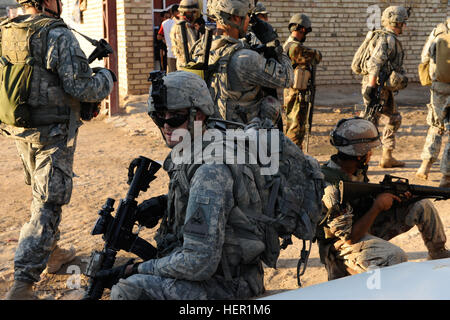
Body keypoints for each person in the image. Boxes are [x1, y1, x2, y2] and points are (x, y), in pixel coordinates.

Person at [96, 71, 267, 300]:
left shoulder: (209, 170)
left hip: (229, 283)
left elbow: (198, 262)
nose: (166, 125)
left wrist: (134, 269)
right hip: (215, 270)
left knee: (129, 290)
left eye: (175, 117)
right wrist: (163, 204)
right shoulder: (199, 144)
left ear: (200, 115)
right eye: (159, 116)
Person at [1, 0, 114, 299]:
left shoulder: (6, 30)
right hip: (52, 133)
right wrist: (106, 77)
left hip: (21, 128)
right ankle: (22, 284)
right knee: (48, 201)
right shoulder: (57, 34)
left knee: (41, 192)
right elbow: (83, 88)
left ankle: (53, 253)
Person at [317, 117, 450, 280]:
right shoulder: (331, 188)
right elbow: (350, 238)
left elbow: (362, 201)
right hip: (339, 246)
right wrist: (377, 206)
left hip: (361, 224)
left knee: (421, 205)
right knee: (394, 256)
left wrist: (395, 197)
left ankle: (439, 256)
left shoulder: (353, 170)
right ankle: (347, 273)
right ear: (360, 155)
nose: (371, 154)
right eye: (370, 150)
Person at [192, 0, 293, 126]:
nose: (249, 21)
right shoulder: (245, 58)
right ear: (235, 18)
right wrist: (276, 46)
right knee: (271, 104)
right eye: (247, 15)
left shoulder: (201, 48)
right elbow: (288, 78)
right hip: (241, 137)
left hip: (211, 129)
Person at [360, 6, 409, 168]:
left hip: (384, 88)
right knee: (369, 124)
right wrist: (371, 88)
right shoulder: (386, 39)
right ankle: (358, 159)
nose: (405, 26)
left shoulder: (390, 38)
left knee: (394, 119)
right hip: (376, 87)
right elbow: (375, 62)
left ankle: (387, 156)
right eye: (403, 23)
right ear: (396, 22)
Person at [416, 18, 450, 188]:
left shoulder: (438, 30)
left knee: (436, 126)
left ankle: (425, 166)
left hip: (439, 87)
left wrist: (431, 81)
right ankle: (446, 177)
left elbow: (425, 56)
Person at [283, 13, 321, 149]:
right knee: (296, 128)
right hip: (296, 94)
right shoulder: (295, 47)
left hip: (293, 92)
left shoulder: (289, 44)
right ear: (303, 29)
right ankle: (293, 157)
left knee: (292, 125)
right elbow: (317, 56)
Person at [170, 0, 202, 69]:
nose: (195, 15)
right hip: (189, 66)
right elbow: (195, 49)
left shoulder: (177, 25)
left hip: (182, 65)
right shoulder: (184, 27)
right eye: (193, 12)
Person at [157, 4, 179, 73]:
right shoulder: (181, 23)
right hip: (181, 55)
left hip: (170, 53)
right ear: (176, 12)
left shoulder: (164, 23)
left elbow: (159, 37)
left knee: (171, 74)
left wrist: (165, 40)